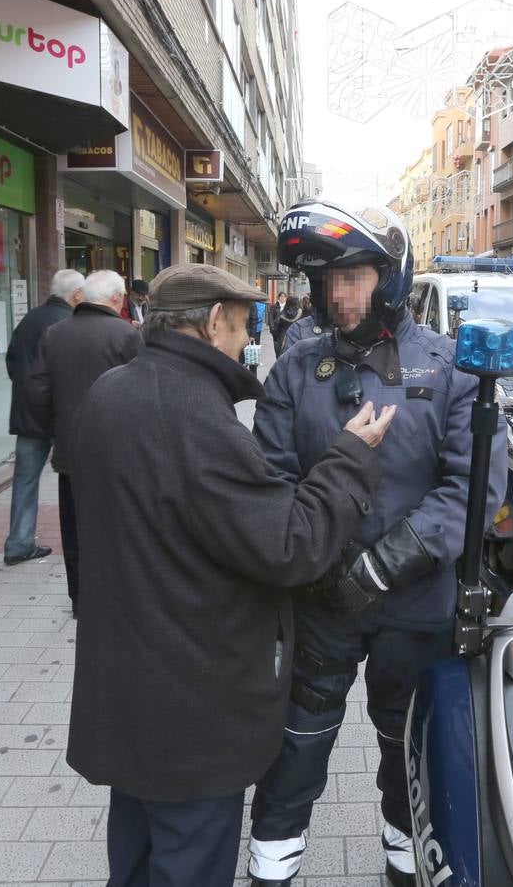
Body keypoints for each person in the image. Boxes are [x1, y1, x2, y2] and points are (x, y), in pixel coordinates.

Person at [67, 263, 395, 887]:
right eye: (245, 327)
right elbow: (290, 544)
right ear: (214, 320)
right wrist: (352, 458)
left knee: (136, 849)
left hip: (127, 684)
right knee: (189, 858)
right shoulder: (192, 413)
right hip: (187, 702)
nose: (248, 341)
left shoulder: (110, 391)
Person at [247, 200, 507, 887]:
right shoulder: (293, 371)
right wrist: (317, 562)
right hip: (318, 597)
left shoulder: (452, 369)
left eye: (353, 277)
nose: (337, 295)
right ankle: (274, 851)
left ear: (389, 276)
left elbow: (473, 490)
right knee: (299, 736)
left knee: (408, 737)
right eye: (326, 281)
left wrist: (383, 566)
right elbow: (270, 482)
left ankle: (405, 845)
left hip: (415, 600)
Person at [26, 270, 141, 612]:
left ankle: (79, 597)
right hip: (116, 454)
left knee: (74, 527)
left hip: (70, 452)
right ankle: (114, 595)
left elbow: (36, 392)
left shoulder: (54, 334)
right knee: (115, 526)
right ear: (117, 298)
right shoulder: (126, 335)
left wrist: (57, 428)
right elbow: (141, 395)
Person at [1, 269, 82, 566]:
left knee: (25, 480)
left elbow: (12, 362)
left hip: (28, 415)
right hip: (56, 415)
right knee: (74, 481)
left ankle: (18, 543)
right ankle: (82, 543)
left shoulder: (30, 319)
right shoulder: (68, 324)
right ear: (77, 295)